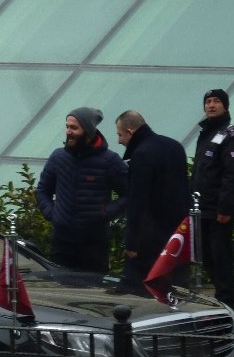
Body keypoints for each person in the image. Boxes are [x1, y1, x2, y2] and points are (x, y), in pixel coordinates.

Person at [36, 107, 128, 273]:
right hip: (62, 242)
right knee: (60, 289)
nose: (68, 132)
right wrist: (52, 214)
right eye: (67, 126)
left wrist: (105, 213)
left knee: (92, 292)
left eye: (74, 128)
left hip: (94, 244)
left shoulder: (110, 161)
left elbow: (131, 194)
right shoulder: (58, 157)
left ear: (88, 131)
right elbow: (43, 190)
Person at [115, 110, 190, 291]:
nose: (119, 141)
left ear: (130, 131)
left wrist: (132, 244)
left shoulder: (141, 154)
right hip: (175, 236)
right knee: (175, 289)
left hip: (149, 239)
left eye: (120, 134)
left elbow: (137, 201)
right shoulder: (175, 146)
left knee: (141, 289)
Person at [191, 89, 234, 312]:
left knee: (220, 258)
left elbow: (232, 174)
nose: (211, 105)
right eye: (208, 102)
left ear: (225, 106)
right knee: (209, 258)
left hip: (218, 211)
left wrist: (226, 208)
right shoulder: (206, 133)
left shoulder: (232, 136)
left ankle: (227, 304)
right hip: (202, 209)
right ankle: (220, 301)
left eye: (216, 102)